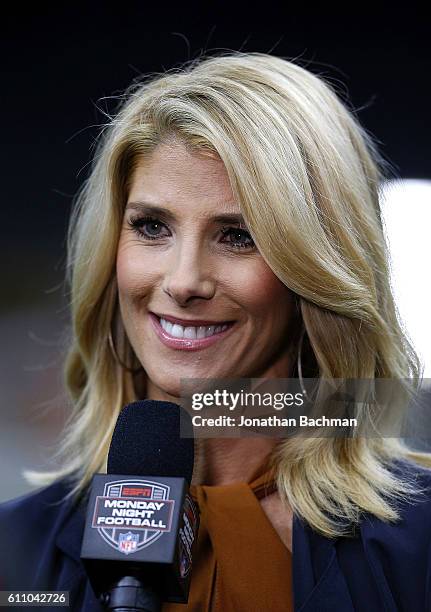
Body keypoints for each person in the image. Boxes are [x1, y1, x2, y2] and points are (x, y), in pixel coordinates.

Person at [1, 51, 431, 611]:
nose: (183, 282)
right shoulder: (15, 553)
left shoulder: (419, 548)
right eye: (152, 227)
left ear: (317, 268)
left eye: (237, 236)